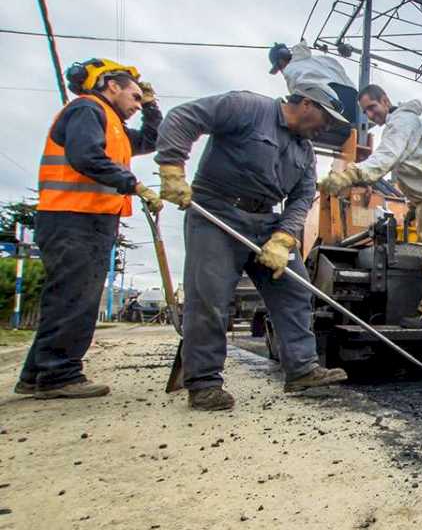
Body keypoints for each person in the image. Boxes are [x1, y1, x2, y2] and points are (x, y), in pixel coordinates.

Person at [155, 81, 351, 411]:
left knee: (295, 288)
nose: (326, 126)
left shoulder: (304, 152)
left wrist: (283, 237)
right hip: (217, 213)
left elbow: (302, 197)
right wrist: (172, 167)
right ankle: (204, 382)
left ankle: (302, 369)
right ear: (306, 103)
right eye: (325, 117)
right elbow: (183, 116)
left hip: (266, 223)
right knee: (210, 297)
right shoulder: (248, 107)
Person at [16, 59, 163, 399]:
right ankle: (59, 376)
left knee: (67, 297)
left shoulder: (113, 124)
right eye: (136, 95)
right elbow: (85, 156)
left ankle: (36, 374)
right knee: (75, 298)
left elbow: (151, 141)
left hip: (87, 219)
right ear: (113, 85)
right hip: (72, 217)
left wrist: (152, 107)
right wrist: (133, 184)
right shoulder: (86, 110)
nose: (137, 103)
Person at [318, 84, 422, 329]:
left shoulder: (400, 123)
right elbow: (417, 169)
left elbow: (385, 158)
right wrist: (412, 207)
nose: (370, 115)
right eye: (366, 111)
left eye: (372, 107)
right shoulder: (407, 123)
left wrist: (348, 176)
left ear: (385, 100)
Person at [269, 40, 358, 124]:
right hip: (357, 102)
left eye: (279, 67)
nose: (281, 71)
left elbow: (303, 85)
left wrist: (332, 100)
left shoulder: (290, 69)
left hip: (335, 104)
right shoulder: (321, 59)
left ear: (280, 61)